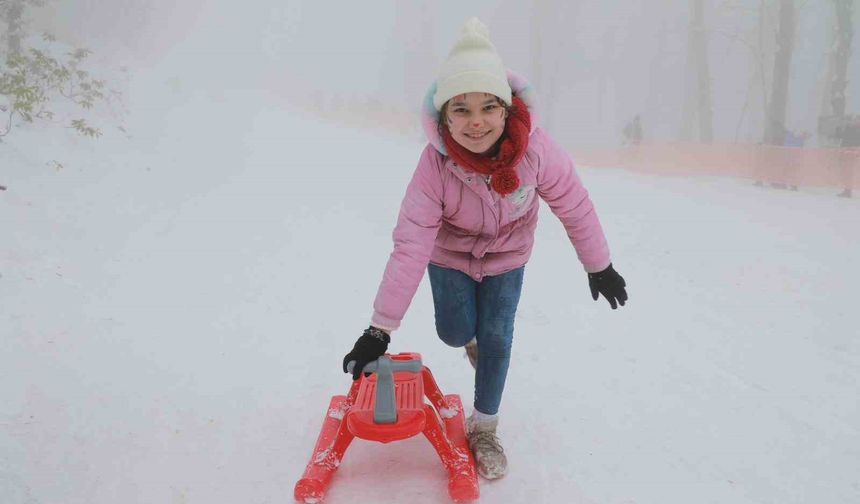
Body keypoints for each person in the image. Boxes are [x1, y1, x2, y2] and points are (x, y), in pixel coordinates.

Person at [341, 17, 628, 480]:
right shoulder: (433, 166)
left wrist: (599, 265)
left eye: (488, 107)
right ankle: (467, 339)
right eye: (461, 109)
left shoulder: (537, 152)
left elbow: (574, 204)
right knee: (455, 332)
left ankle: (486, 429)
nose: (476, 122)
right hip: (449, 258)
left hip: (507, 259)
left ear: (506, 108)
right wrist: (379, 331)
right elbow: (411, 244)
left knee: (498, 338)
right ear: (444, 116)